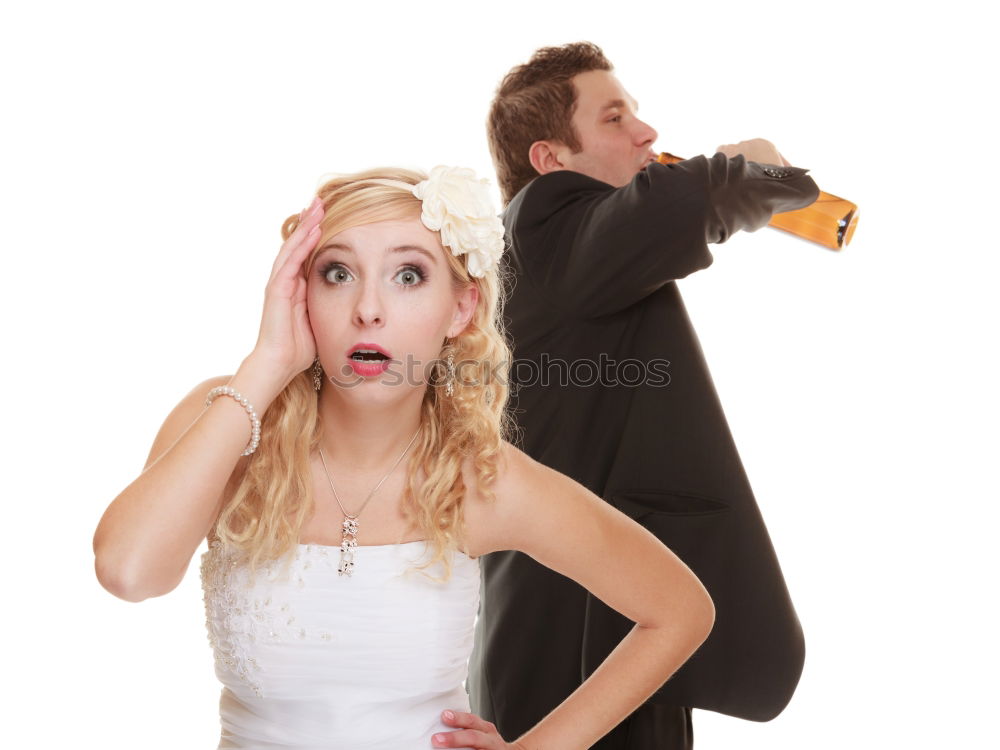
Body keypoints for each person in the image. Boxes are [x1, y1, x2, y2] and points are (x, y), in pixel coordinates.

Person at [92, 165, 716, 750]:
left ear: (461, 308)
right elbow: (128, 571)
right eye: (337, 273)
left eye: (408, 275)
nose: (368, 308)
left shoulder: (484, 481)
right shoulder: (227, 419)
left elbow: (679, 612)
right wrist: (266, 366)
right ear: (299, 294)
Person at [468, 42, 821, 749]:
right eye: (615, 116)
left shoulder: (554, 259)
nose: (646, 133)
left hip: (603, 628)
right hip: (580, 648)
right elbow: (690, 197)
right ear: (550, 161)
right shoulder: (549, 223)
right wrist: (760, 164)